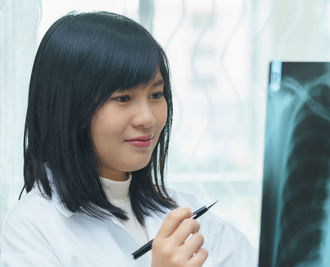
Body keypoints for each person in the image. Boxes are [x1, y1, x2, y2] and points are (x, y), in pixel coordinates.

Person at [0, 11, 257, 267]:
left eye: (156, 95)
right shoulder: (31, 230)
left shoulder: (185, 213)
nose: (148, 118)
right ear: (68, 108)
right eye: (123, 98)